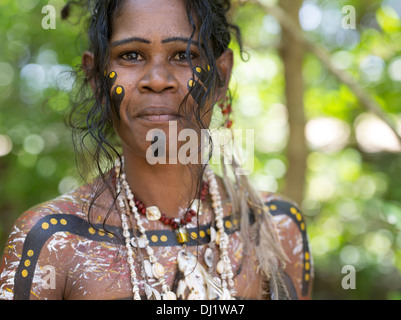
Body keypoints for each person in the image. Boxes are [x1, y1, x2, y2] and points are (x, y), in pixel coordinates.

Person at [0, 0, 312, 300]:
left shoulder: (275, 228)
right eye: (132, 55)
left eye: (183, 55)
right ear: (96, 78)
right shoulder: (55, 240)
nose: (158, 80)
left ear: (221, 76)